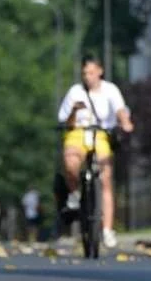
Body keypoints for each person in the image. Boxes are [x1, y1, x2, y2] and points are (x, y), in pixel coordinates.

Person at [57, 54, 133, 248]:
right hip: (78, 133)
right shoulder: (75, 92)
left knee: (106, 177)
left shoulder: (110, 90)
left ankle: (107, 230)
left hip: (100, 134)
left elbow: (120, 110)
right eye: (84, 73)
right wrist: (74, 111)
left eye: (91, 72)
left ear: (100, 71)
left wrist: (125, 122)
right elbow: (64, 120)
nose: (88, 77)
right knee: (71, 162)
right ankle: (74, 194)